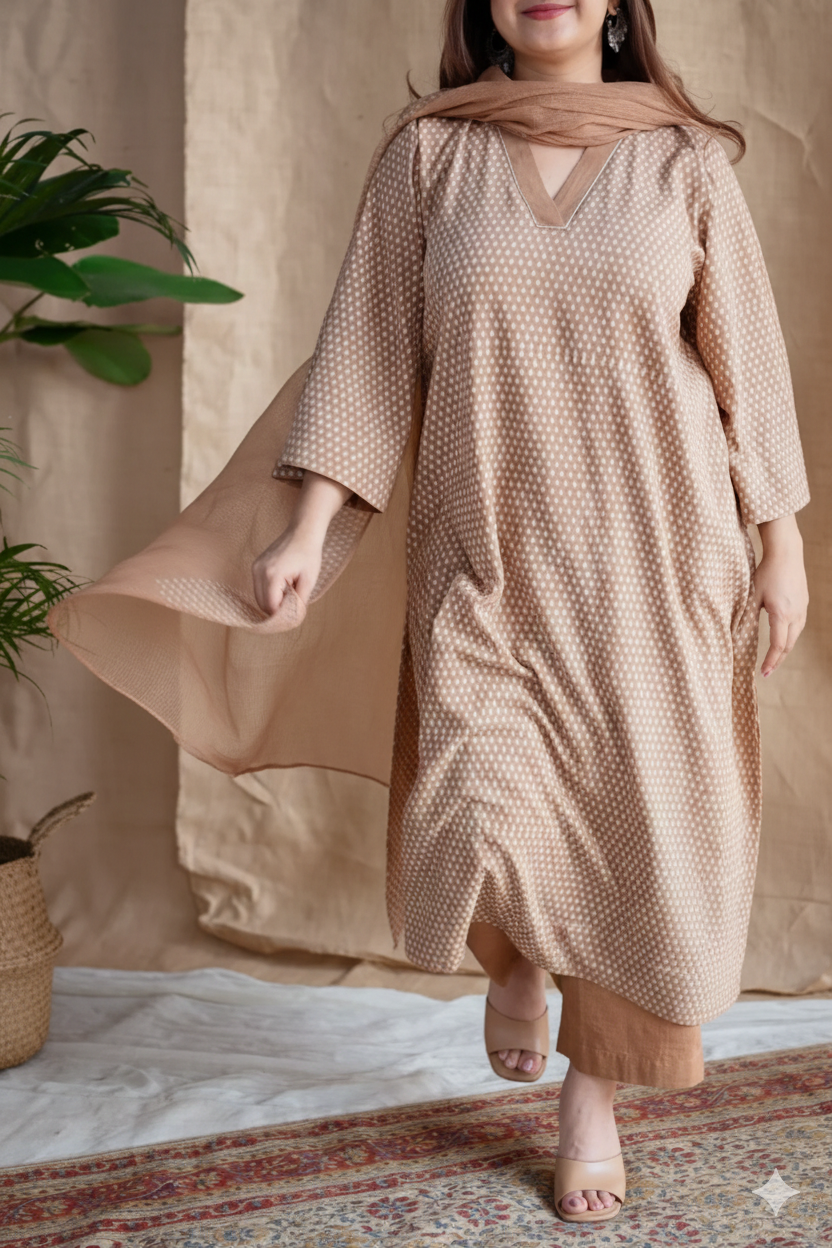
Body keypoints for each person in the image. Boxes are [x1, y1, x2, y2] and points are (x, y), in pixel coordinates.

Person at [50, 0, 810, 1226]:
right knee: (474, 799)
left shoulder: (682, 161)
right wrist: (306, 529)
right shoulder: (431, 154)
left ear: (620, 7)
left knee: (640, 832)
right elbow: (365, 352)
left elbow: (748, 368)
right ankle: (512, 954)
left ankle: (590, 1103)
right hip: (485, 555)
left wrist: (780, 544)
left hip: (660, 562)